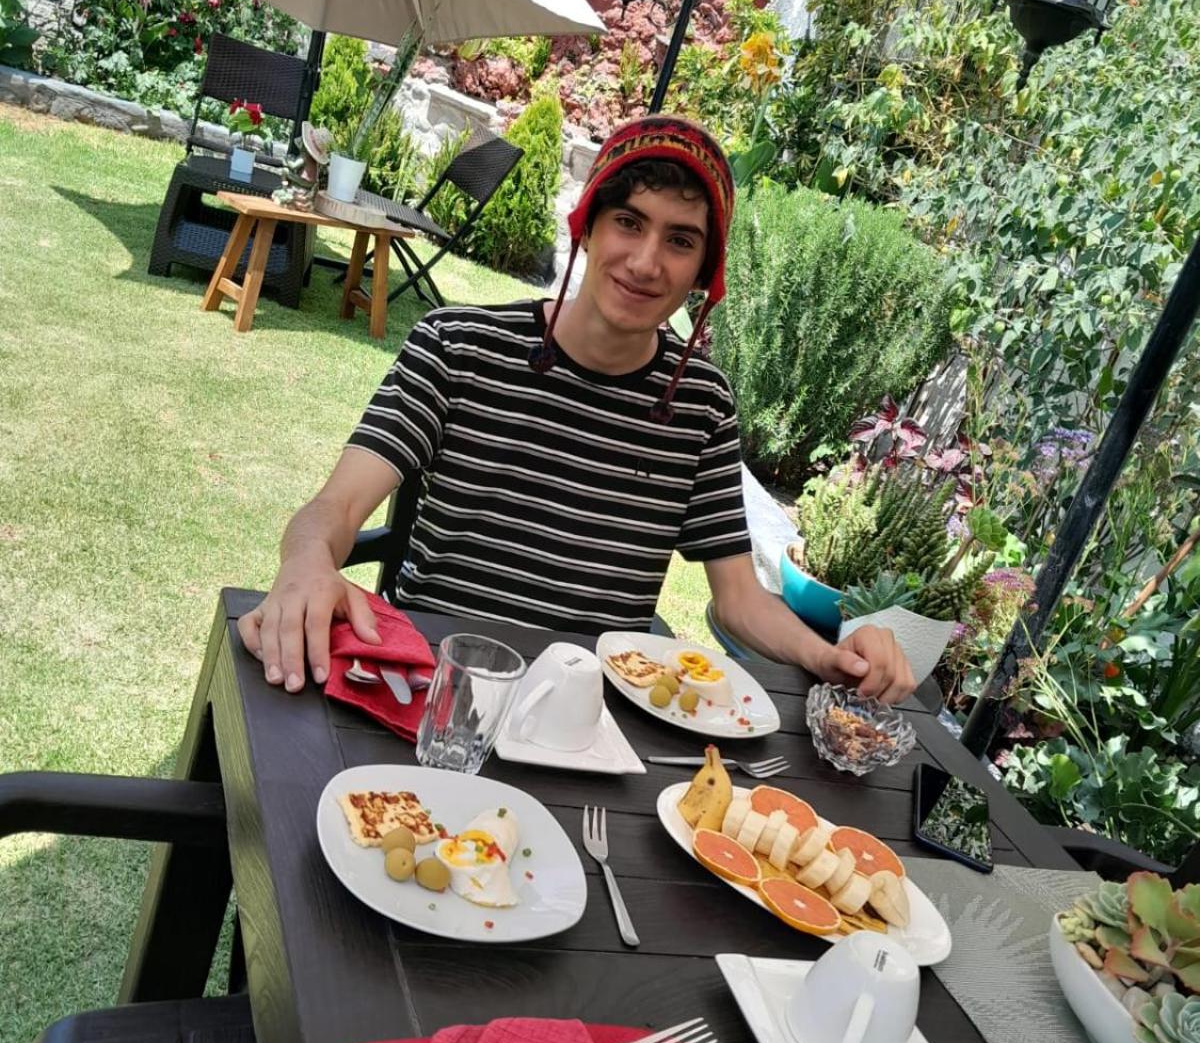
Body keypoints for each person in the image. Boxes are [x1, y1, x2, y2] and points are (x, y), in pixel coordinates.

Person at [239, 114, 916, 704]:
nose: (646, 262)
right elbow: (335, 509)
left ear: (703, 271)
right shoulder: (455, 346)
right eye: (629, 222)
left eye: (680, 241)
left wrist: (827, 656)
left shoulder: (701, 404)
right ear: (587, 226)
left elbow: (738, 598)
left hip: (583, 716)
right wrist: (307, 562)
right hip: (428, 683)